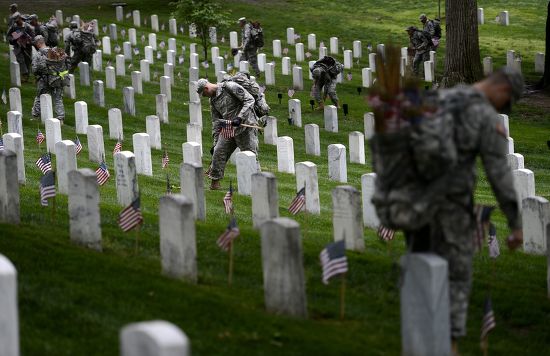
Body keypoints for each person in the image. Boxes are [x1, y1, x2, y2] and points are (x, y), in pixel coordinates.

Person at [404, 67, 524, 354]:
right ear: (502, 90)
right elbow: (498, 172)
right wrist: (516, 223)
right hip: (450, 209)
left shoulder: (437, 98)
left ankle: (415, 342)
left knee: (420, 271)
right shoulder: (483, 115)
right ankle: (449, 345)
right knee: (456, 277)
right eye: (505, 104)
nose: (501, 109)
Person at [197, 78, 259, 190]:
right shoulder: (212, 100)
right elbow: (216, 122)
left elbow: (249, 100)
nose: (205, 96)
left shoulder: (229, 87)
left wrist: (240, 117)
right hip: (229, 126)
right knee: (218, 151)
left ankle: (259, 182)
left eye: (204, 94)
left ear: (206, 88)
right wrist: (215, 142)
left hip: (245, 125)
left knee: (250, 154)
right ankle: (215, 182)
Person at [31, 35, 69, 122]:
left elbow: (34, 69)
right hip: (58, 79)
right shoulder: (56, 52)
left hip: (44, 80)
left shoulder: (38, 55)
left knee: (39, 97)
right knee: (58, 98)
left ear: (38, 44)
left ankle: (35, 115)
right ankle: (60, 117)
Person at [6, 12, 35, 83]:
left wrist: (28, 41)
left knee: (27, 61)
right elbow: (8, 36)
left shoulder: (28, 27)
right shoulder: (14, 27)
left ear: (20, 18)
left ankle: (26, 77)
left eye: (17, 20)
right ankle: (24, 75)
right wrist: (14, 38)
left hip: (27, 47)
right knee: (21, 61)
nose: (16, 22)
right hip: (18, 47)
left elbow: (33, 38)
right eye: (15, 21)